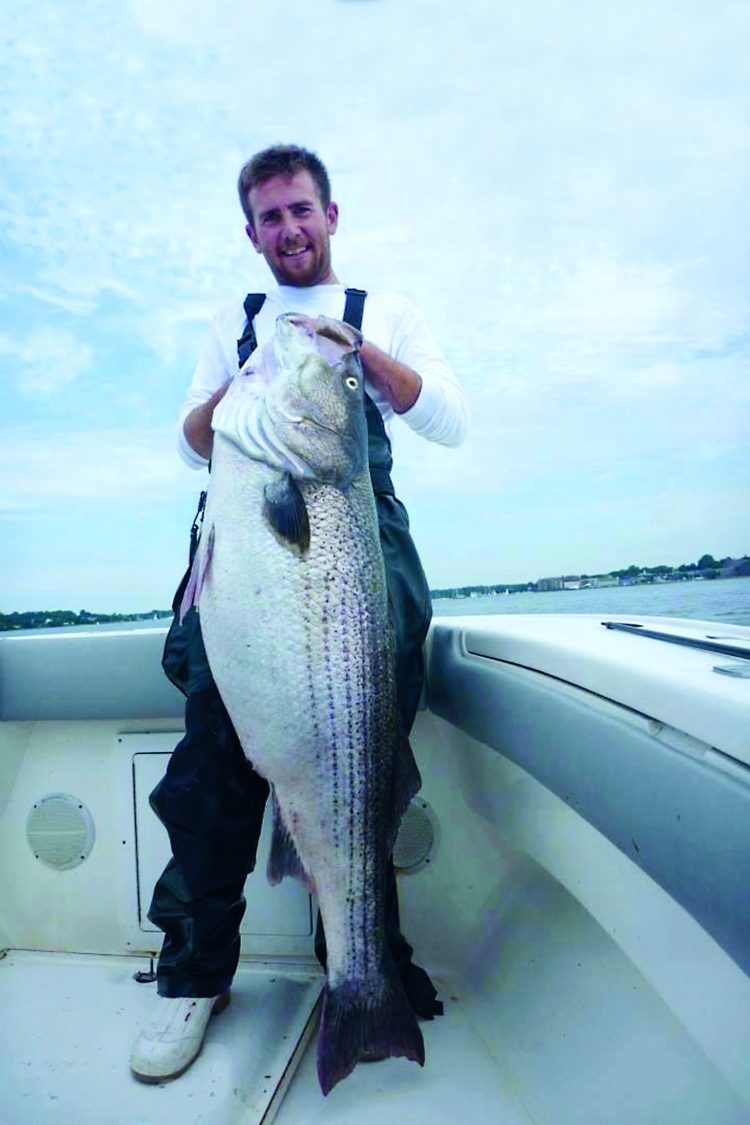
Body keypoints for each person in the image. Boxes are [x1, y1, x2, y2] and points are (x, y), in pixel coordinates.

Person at [130, 144, 469, 1083]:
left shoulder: (382, 312)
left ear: (332, 215)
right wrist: (229, 403)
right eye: (270, 217)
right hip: (243, 578)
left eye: (302, 211)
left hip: (357, 565)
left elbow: (449, 416)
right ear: (252, 232)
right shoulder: (235, 324)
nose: (289, 229)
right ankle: (192, 976)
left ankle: (361, 973)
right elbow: (192, 440)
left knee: (360, 768)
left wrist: (362, 361)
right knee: (206, 782)